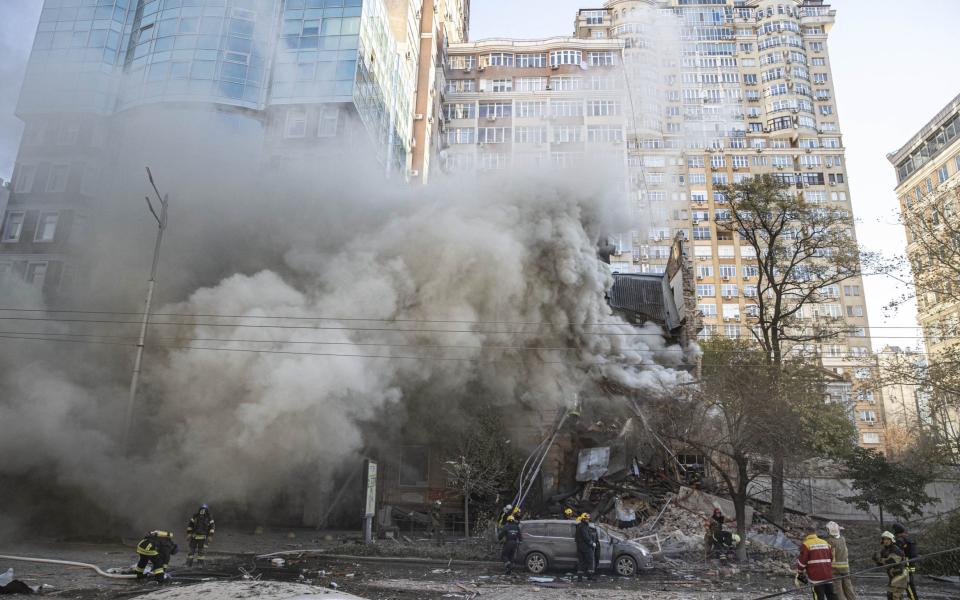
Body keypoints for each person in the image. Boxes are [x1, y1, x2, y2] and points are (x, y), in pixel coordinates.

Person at [796, 525, 837, 600]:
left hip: (815, 576)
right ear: (815, 532)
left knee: (818, 596)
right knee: (831, 595)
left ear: (807, 532)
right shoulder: (825, 543)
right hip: (828, 575)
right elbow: (831, 558)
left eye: (805, 531)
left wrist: (800, 572)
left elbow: (802, 562)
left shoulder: (806, 544)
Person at [873, 531, 909, 600]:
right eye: (884, 539)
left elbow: (891, 562)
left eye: (887, 539)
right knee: (890, 595)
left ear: (891, 540)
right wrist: (876, 559)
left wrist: (879, 559)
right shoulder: (884, 550)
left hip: (900, 575)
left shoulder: (896, 550)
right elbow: (880, 565)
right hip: (892, 576)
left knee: (896, 596)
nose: (885, 541)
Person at [826, 521, 857, 600]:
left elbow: (828, 555)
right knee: (849, 589)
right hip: (846, 568)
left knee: (839, 591)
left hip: (835, 569)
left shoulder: (829, 541)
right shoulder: (843, 539)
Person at [892, 524, 919, 600]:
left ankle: (913, 598)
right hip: (911, 564)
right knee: (909, 581)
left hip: (906, 563)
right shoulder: (909, 538)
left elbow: (898, 553)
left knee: (908, 584)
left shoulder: (901, 540)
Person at [575, 513, 596, 582]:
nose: (588, 520)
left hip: (580, 547)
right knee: (590, 561)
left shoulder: (579, 526)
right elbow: (586, 537)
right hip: (586, 547)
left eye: (588, 519)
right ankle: (590, 577)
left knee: (581, 562)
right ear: (583, 519)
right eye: (587, 519)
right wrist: (592, 543)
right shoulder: (583, 526)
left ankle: (579, 578)